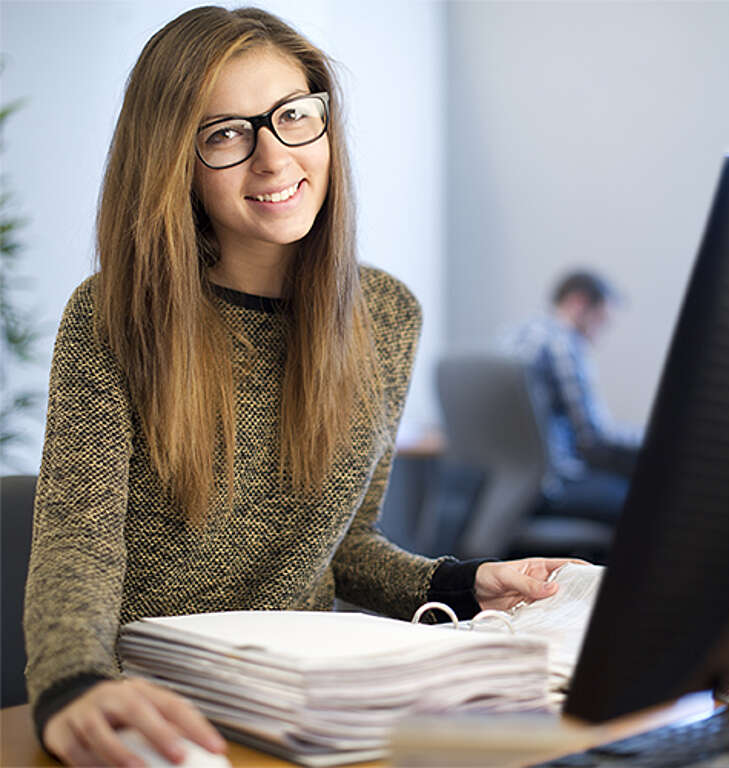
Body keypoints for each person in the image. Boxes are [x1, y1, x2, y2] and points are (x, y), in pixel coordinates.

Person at [23, 7, 577, 767]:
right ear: (171, 162)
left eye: (293, 117)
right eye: (224, 134)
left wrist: (464, 582)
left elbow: (343, 549)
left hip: (310, 712)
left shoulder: (384, 315)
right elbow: (76, 549)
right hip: (160, 713)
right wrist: (72, 686)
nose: (274, 159)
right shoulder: (113, 316)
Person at [506, 270, 642, 524]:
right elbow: (593, 435)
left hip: (509, 489)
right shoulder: (563, 345)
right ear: (579, 303)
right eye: (601, 320)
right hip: (553, 484)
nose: (599, 334)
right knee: (642, 497)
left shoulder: (517, 336)